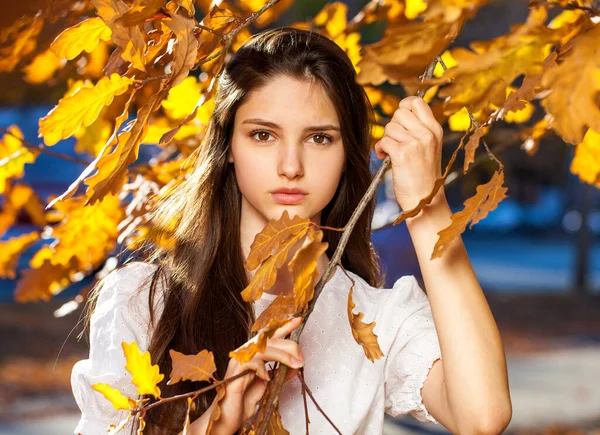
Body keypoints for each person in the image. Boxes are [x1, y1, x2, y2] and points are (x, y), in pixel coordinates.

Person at [71, 27, 512, 435]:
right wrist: (220, 420)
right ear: (228, 147)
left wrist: (427, 208)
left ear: (347, 154)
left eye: (319, 138)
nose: (291, 167)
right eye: (263, 135)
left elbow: (483, 415)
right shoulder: (143, 300)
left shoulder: (378, 320)